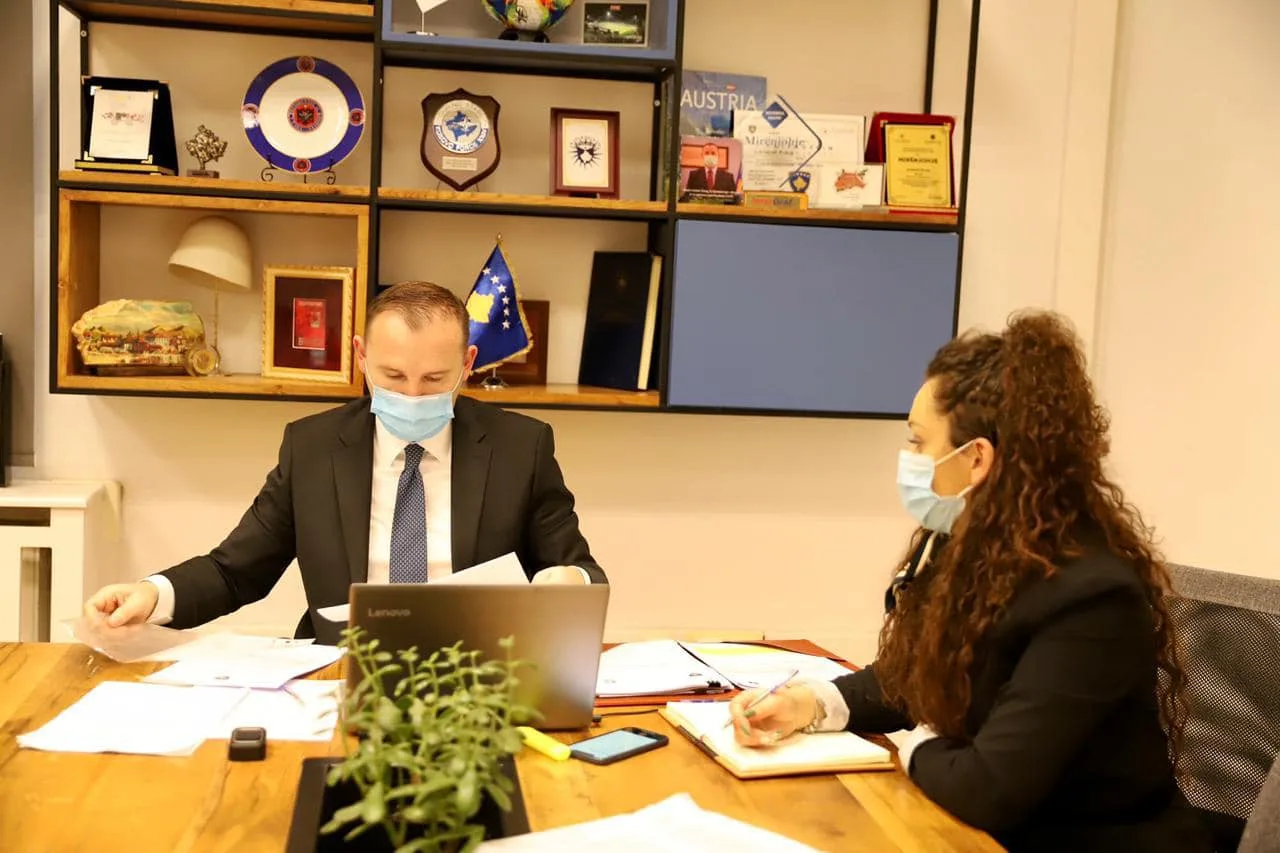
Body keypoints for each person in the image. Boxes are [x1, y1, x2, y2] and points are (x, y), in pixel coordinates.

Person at [729, 312, 1211, 853]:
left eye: (918, 442)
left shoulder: (1093, 599)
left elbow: (989, 788)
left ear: (977, 457)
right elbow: (912, 677)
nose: (909, 460)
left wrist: (912, 744)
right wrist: (810, 705)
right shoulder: (977, 548)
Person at [84, 282, 606, 643]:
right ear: (361, 356)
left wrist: (568, 584)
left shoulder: (521, 448)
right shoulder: (312, 448)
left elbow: (584, 573)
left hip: (478, 673)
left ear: (467, 363)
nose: (413, 395)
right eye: (393, 377)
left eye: (434, 379)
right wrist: (152, 594)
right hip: (340, 669)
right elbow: (235, 571)